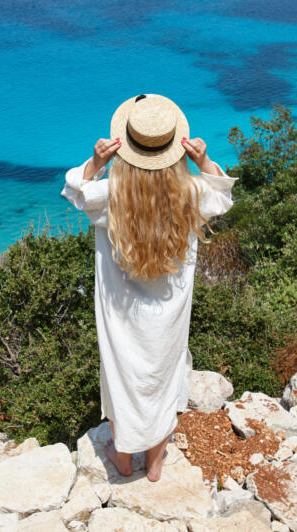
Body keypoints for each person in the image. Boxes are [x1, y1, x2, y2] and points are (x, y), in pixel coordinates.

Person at [61, 93, 237, 482]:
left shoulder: (111, 197)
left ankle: (123, 459)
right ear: (175, 149)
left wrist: (96, 162)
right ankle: (155, 461)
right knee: (164, 372)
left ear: (126, 149)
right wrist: (203, 161)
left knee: (124, 376)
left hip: (121, 311)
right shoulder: (189, 193)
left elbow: (75, 187)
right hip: (171, 309)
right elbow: (222, 194)